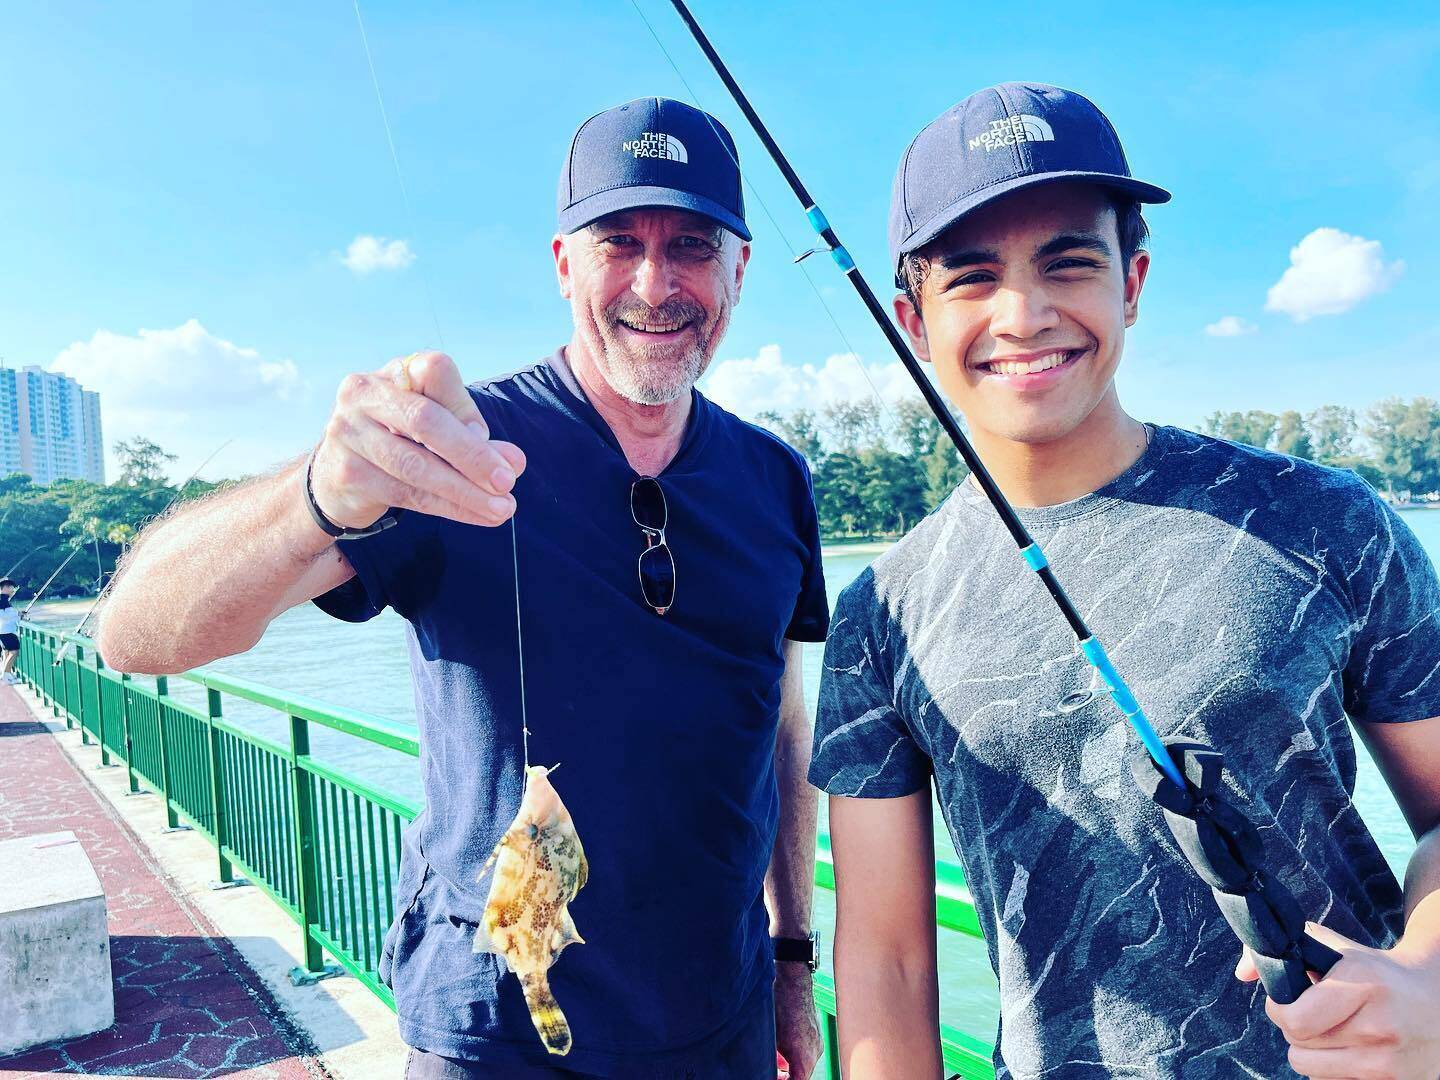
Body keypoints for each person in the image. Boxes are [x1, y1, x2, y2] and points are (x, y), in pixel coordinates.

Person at [97, 98, 828, 1079]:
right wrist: (317, 496)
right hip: (493, 1036)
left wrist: (791, 968)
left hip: (720, 1020)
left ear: (740, 267)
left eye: (692, 245)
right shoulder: (445, 449)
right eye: (619, 242)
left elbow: (782, 731)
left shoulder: (779, 480)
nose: (656, 282)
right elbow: (136, 638)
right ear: (564, 263)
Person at [810, 83, 1440, 1079]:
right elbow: (885, 963)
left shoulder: (1330, 521)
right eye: (972, 278)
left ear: (1133, 282)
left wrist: (1428, 969)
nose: (1024, 314)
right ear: (912, 319)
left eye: (1070, 263)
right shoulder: (879, 614)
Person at [0, 578, 20, 683]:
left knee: (7, 652)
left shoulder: (4, 599)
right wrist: (18, 614)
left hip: (5, 631)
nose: (13, 589)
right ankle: (6, 675)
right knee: (14, 652)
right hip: (7, 632)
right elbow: (4, 615)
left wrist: (18, 615)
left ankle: (7, 675)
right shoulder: (2, 600)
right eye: (11, 587)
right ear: (6, 587)